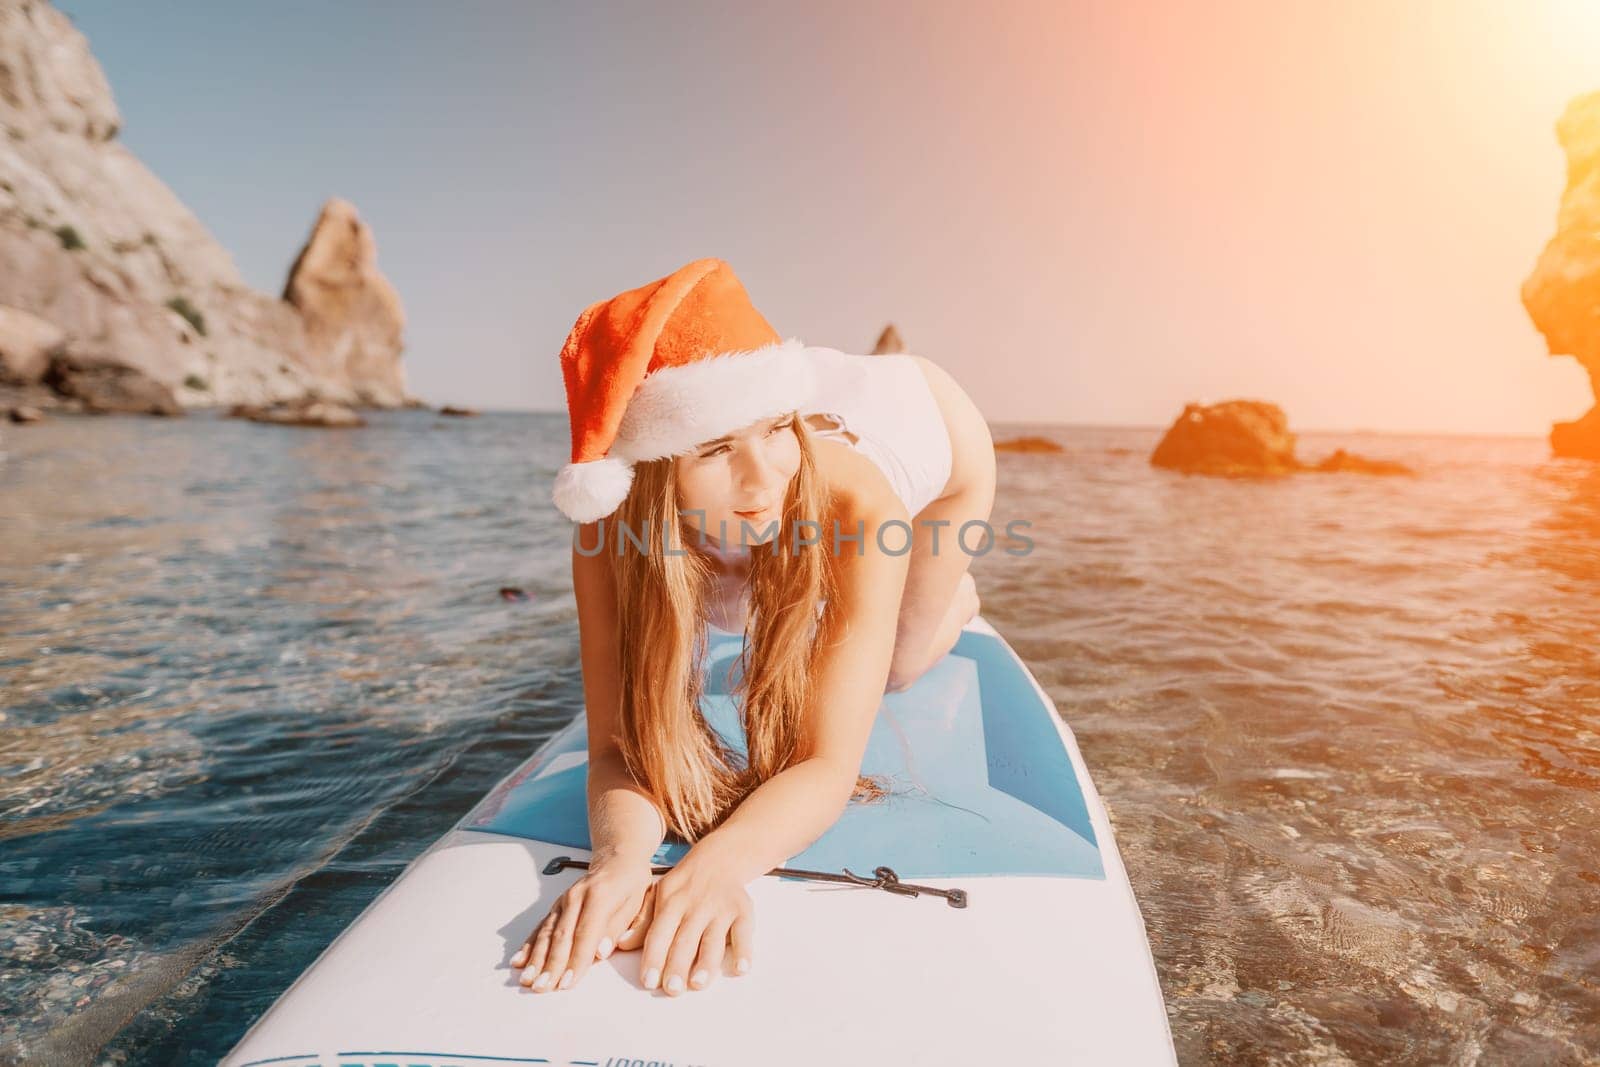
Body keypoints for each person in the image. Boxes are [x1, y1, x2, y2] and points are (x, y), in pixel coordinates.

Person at [511, 258, 996, 999]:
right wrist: (619, 862)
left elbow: (827, 764)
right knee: (739, 595)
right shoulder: (608, 534)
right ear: (647, 476)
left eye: (774, 432)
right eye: (712, 451)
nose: (763, 478)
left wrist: (720, 862)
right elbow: (614, 745)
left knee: (897, 665)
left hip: (933, 425)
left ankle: (955, 599)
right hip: (784, 434)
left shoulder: (857, 504)